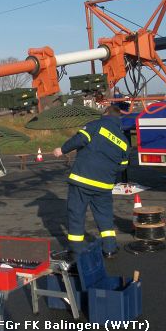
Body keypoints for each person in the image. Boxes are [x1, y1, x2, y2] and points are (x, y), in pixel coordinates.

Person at [53, 105, 130, 258]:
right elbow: (123, 166)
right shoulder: (124, 141)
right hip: (104, 186)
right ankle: (109, 249)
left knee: (77, 214)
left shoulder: (96, 125)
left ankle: (77, 251)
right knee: (105, 216)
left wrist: (62, 150)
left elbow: (80, 139)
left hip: (82, 180)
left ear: (106, 113)